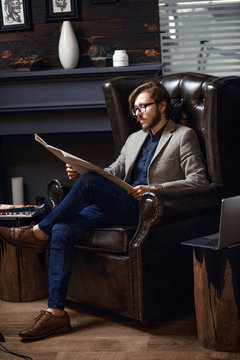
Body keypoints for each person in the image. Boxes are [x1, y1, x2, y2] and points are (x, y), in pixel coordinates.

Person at [0, 81, 209, 340]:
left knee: (87, 188)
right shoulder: (134, 139)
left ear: (162, 105)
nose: (138, 113)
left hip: (146, 209)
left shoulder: (183, 136)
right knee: (64, 228)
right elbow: (112, 173)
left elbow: (199, 180)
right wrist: (81, 172)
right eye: (135, 109)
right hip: (117, 203)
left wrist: (155, 187)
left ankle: (38, 231)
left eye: (143, 106)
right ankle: (55, 314)